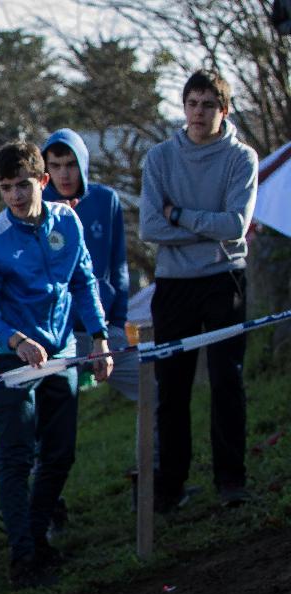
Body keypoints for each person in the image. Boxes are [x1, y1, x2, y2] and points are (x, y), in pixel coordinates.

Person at [0, 141, 112, 588]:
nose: (14, 196)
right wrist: (15, 339)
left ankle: (36, 533)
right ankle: (23, 557)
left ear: (43, 181)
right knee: (16, 456)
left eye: (23, 185)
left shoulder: (67, 221)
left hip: (64, 349)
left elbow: (84, 280)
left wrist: (101, 338)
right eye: (6, 188)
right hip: (13, 355)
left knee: (61, 452)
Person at [138, 70, 258, 512]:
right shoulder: (159, 158)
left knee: (228, 381)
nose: (200, 112)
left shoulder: (242, 158)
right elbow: (150, 226)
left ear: (223, 111)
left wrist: (179, 214)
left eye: (209, 105)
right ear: (183, 107)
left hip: (224, 277)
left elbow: (235, 225)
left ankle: (232, 479)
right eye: (193, 103)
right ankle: (170, 486)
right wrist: (198, 224)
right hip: (173, 284)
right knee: (173, 388)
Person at [41, 129, 134, 399]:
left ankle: (158, 443)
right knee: (53, 412)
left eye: (70, 164)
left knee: (153, 389)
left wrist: (116, 323)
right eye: (55, 166)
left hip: (103, 329)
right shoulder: (36, 206)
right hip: (55, 335)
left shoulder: (106, 200)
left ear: (82, 163)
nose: (64, 174)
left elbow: (119, 266)